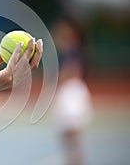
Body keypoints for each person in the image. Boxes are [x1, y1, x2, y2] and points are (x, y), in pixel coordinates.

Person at [51, 17, 92, 165]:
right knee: (65, 135)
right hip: (67, 93)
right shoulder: (67, 51)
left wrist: (61, 76)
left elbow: (73, 73)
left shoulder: (76, 50)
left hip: (73, 93)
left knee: (71, 134)